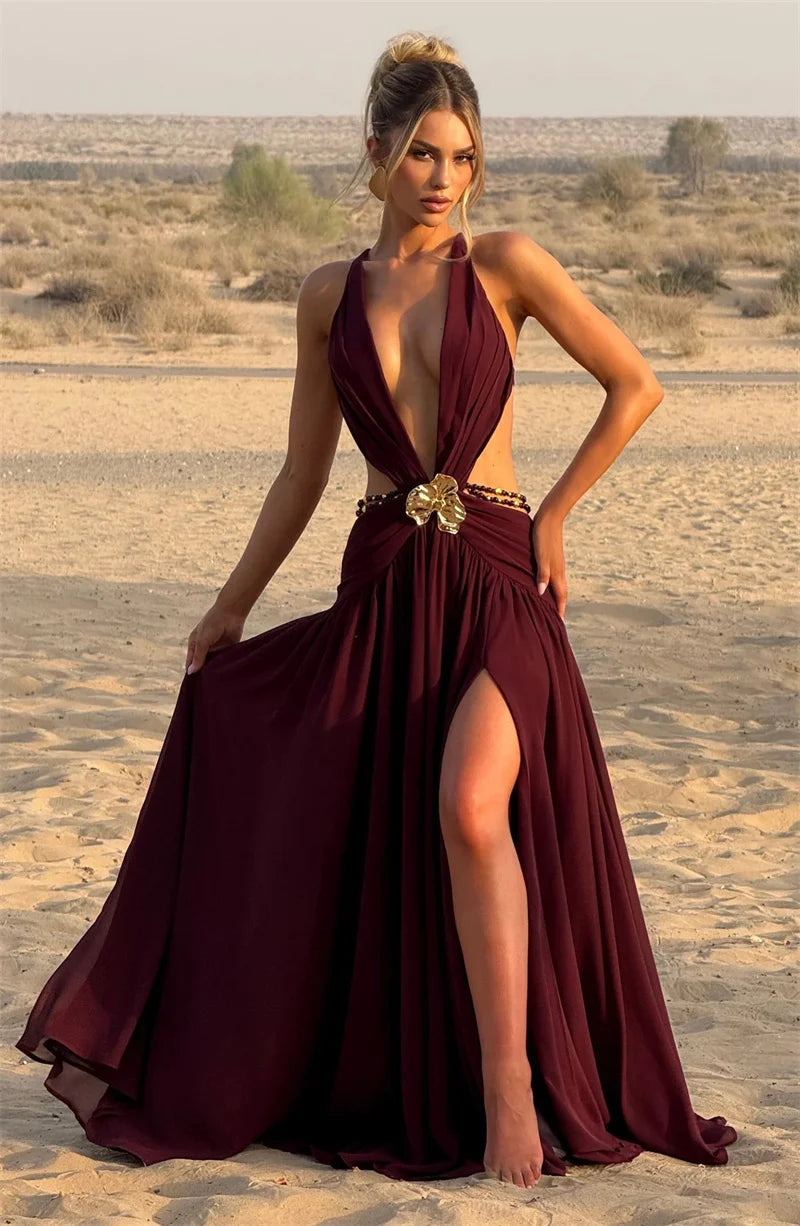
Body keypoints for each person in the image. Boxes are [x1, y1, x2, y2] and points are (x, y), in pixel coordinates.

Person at [15, 29, 737, 1192]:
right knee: (283, 771)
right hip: (385, 583)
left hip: (499, 581)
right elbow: (302, 475)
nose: (444, 176)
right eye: (419, 154)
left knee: (465, 803)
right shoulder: (325, 296)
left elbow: (634, 385)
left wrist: (553, 520)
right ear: (374, 156)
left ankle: (509, 1086)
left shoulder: (504, 266)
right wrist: (227, 607)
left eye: (460, 155)